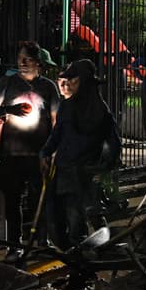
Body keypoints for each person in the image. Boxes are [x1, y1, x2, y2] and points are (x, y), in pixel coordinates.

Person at [0, 42, 61, 246]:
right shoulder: (6, 83)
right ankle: (14, 243)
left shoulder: (48, 87)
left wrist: (51, 151)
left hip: (39, 154)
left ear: (39, 63)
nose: (23, 63)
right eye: (20, 59)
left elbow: (56, 120)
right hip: (11, 153)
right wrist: (10, 110)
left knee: (39, 199)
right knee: (12, 200)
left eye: (28, 59)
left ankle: (42, 240)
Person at [40, 59, 121, 249]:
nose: (69, 85)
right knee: (57, 218)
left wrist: (103, 168)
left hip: (85, 173)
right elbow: (57, 134)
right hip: (64, 169)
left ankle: (85, 253)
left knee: (78, 218)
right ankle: (72, 251)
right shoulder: (67, 106)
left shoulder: (100, 111)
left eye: (74, 81)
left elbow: (114, 143)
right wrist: (45, 152)